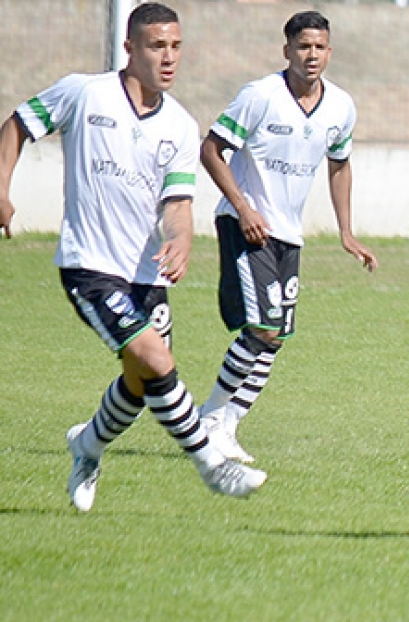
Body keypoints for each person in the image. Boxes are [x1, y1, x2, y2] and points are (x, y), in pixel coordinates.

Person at [0, 2, 266, 511]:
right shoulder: (85, 92)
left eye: (175, 47)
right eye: (156, 46)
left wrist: (181, 238)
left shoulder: (182, 126)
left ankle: (87, 446)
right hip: (90, 266)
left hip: (146, 273)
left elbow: (178, 203)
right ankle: (211, 464)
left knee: (141, 382)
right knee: (155, 357)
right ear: (129, 48)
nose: (168, 58)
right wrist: (2, 188)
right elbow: (17, 125)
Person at [196, 10, 377, 463]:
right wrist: (243, 207)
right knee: (262, 327)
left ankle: (228, 425)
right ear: (287, 51)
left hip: (288, 235)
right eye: (302, 46)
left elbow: (340, 164)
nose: (311, 55)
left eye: (319, 47)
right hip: (246, 226)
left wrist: (346, 232)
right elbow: (212, 150)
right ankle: (209, 419)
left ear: (329, 52)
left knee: (276, 338)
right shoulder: (260, 96)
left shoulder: (340, 106)